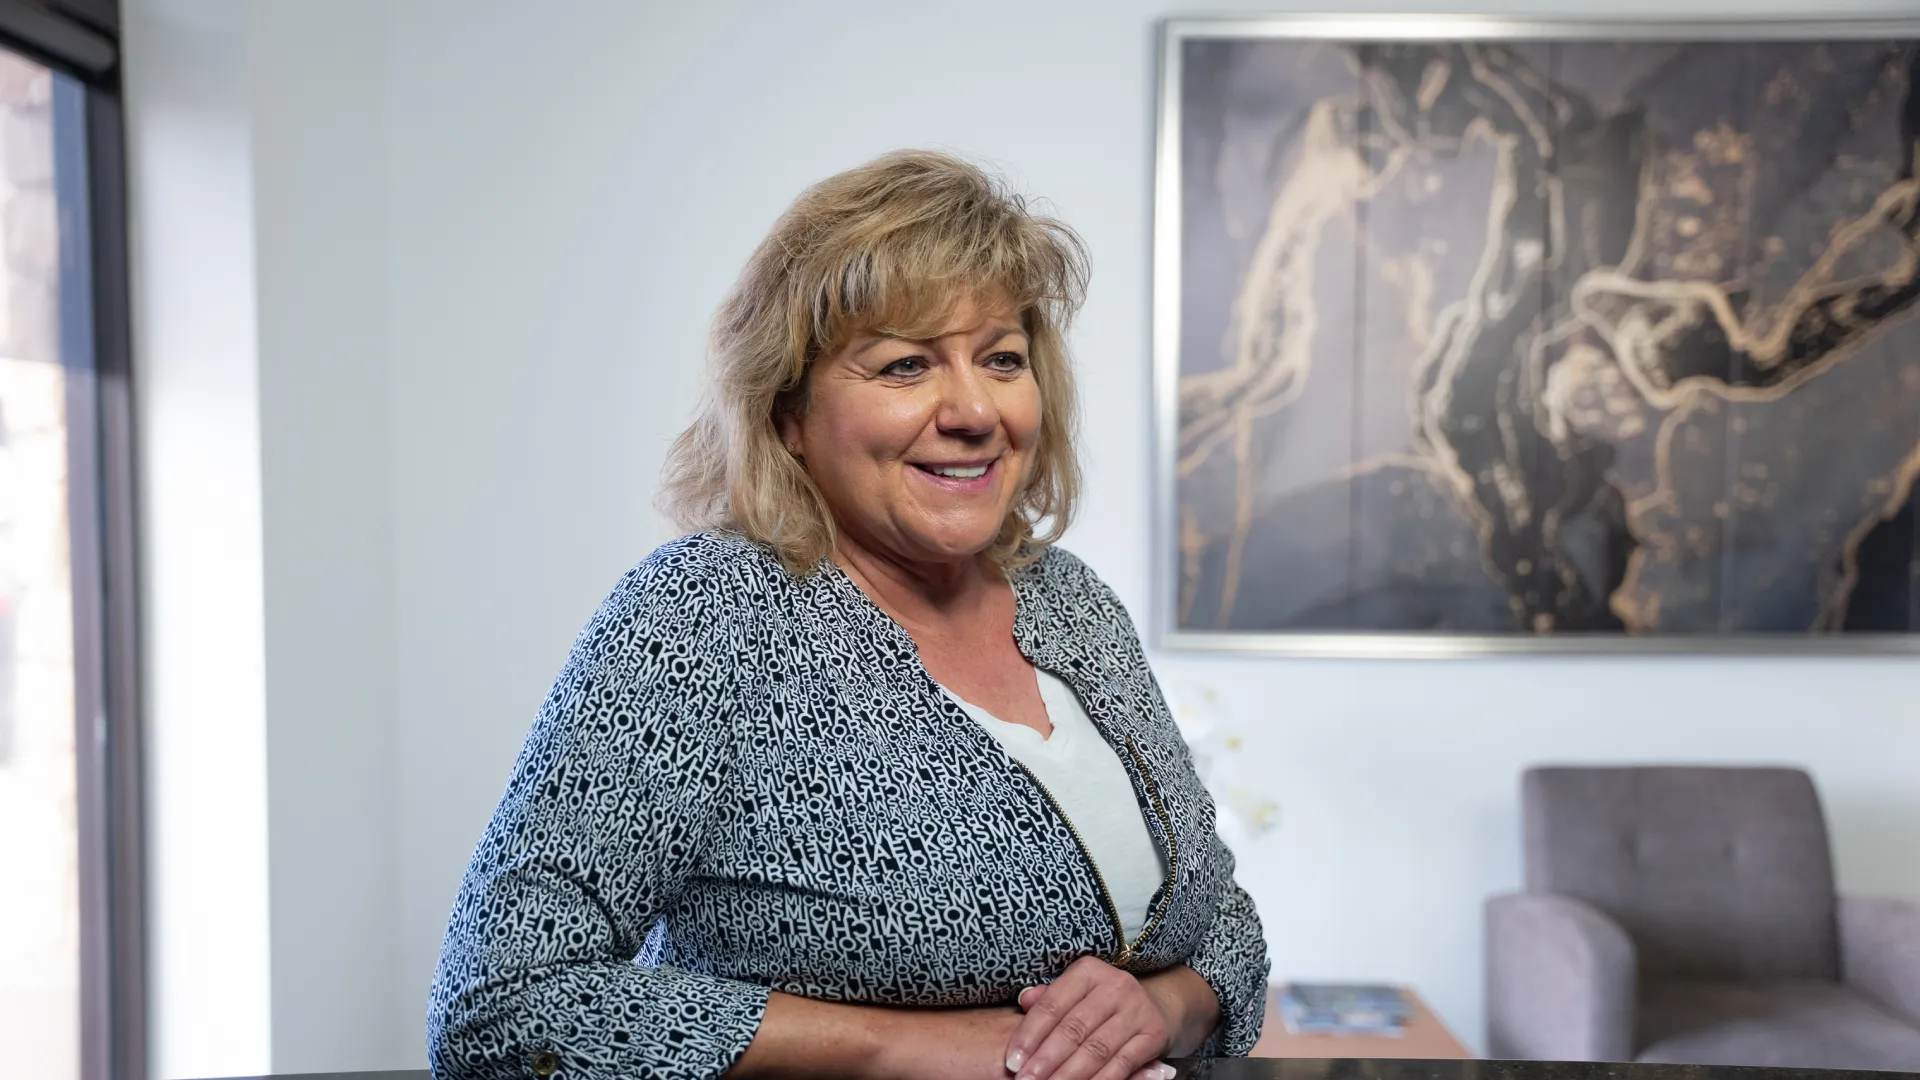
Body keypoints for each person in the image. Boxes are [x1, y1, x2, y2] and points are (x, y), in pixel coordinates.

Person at [427, 150, 1269, 1080]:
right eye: (906, 365)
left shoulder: (1069, 600)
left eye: (1002, 359)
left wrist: (1162, 1007)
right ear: (788, 413)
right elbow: (502, 1006)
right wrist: (914, 1050)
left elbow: (1221, 917)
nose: (974, 409)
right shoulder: (707, 614)